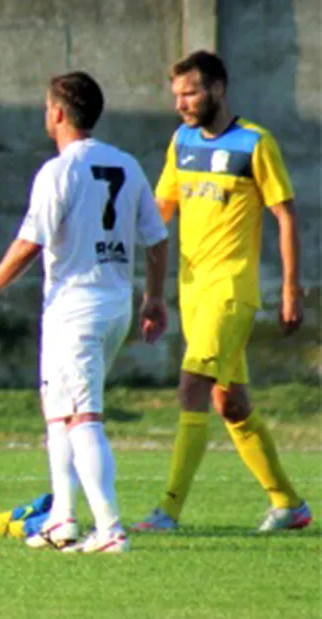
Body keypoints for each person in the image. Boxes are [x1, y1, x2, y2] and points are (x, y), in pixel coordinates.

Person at [0, 71, 170, 553]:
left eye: (45, 106)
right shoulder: (127, 164)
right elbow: (156, 238)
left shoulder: (58, 172)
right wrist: (154, 297)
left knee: (83, 417)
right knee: (59, 413)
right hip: (112, 303)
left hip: (77, 306)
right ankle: (63, 519)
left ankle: (110, 528)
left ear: (57, 113)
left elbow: (29, 242)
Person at [132, 51, 312, 533]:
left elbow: (286, 214)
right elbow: (159, 211)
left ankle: (167, 511)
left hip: (231, 291)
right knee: (229, 403)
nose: (181, 104)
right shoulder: (182, 141)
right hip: (192, 293)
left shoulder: (255, 143)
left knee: (192, 386)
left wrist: (291, 290)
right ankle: (289, 504)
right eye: (176, 95)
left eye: (189, 93)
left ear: (216, 88)